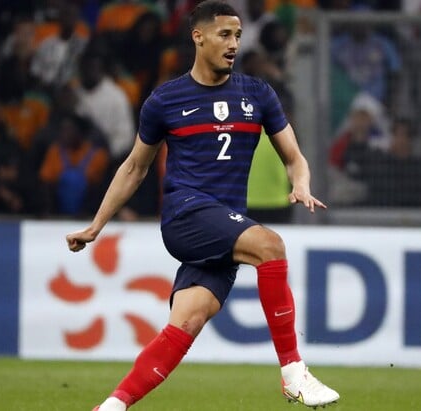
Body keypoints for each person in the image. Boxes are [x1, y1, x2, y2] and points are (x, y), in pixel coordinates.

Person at [64, 2, 339, 410]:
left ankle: (112, 405)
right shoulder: (166, 100)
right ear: (199, 36)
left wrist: (300, 183)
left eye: (238, 36)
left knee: (188, 321)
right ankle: (294, 373)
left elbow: (295, 158)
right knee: (270, 246)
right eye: (225, 34)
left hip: (226, 224)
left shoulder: (258, 94)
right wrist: (96, 226)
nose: (234, 44)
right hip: (186, 213)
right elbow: (134, 167)